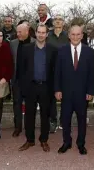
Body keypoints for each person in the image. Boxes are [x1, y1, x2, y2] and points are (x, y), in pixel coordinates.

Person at [54, 23, 94, 155]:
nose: (75, 37)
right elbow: (57, 72)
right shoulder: (61, 50)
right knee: (65, 119)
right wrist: (57, 89)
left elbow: (92, 73)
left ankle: (81, 144)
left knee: (82, 120)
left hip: (83, 94)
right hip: (66, 93)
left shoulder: (89, 51)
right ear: (69, 35)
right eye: (73, 34)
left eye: (78, 34)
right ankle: (66, 142)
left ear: (82, 35)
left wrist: (90, 91)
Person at [18, 24, 58, 152]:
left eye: (43, 32)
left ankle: (44, 140)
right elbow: (21, 70)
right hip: (30, 87)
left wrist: (55, 88)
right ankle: (30, 140)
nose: (41, 34)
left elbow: (55, 71)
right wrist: (23, 88)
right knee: (29, 115)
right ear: (35, 33)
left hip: (46, 87)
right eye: (39, 32)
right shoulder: (26, 49)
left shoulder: (53, 49)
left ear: (47, 34)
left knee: (45, 115)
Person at [9, 23, 36, 137]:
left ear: (27, 31)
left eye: (20, 32)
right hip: (17, 79)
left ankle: (30, 127)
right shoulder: (13, 43)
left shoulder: (35, 43)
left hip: (31, 81)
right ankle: (17, 127)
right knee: (17, 104)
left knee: (31, 105)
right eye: (17, 32)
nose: (18, 34)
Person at [46, 14, 69, 132]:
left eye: (60, 19)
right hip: (50, 70)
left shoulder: (68, 36)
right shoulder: (47, 36)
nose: (58, 21)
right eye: (56, 19)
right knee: (51, 98)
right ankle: (53, 121)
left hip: (65, 70)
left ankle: (63, 120)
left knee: (65, 97)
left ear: (64, 23)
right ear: (53, 22)